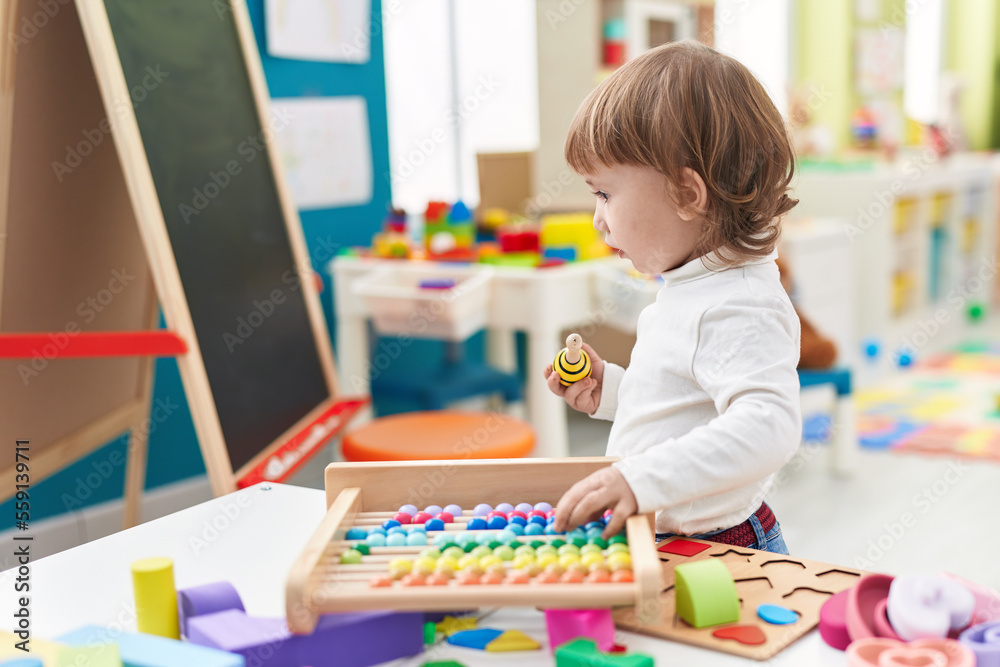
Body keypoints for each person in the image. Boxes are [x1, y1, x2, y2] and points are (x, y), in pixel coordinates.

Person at [544, 40, 801, 554]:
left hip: (720, 547)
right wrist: (615, 392)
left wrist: (642, 479)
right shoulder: (691, 286)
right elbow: (687, 406)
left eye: (604, 194)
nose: (598, 219)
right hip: (674, 535)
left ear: (687, 194)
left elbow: (768, 426)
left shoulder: (741, 304)